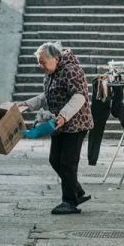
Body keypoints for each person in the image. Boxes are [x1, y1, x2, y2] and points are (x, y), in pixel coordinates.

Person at [18, 42, 93, 215]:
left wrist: (64, 115)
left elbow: (79, 96)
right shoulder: (52, 72)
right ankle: (77, 192)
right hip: (59, 124)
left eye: (43, 61)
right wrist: (27, 104)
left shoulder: (71, 70)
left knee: (67, 162)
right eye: (39, 61)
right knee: (55, 159)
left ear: (56, 58)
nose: (40, 65)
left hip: (75, 124)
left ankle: (70, 202)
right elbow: (48, 95)